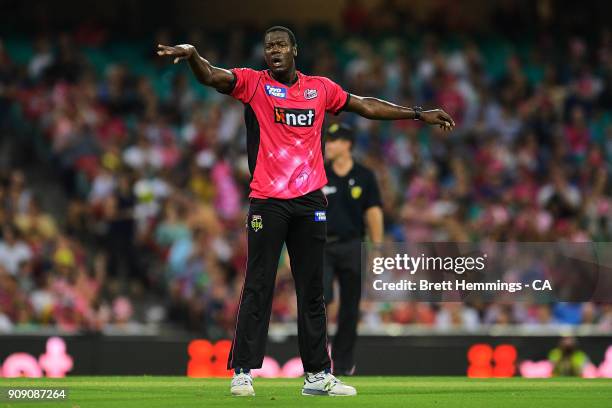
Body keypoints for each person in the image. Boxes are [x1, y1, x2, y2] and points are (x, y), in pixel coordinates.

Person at [157, 25, 455, 397]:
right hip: (268, 200)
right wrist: (193, 56)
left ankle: (317, 375)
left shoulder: (321, 89)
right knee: (259, 283)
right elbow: (215, 76)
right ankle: (243, 372)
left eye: (281, 44)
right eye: (268, 46)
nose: (274, 51)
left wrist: (417, 113)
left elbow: (364, 105)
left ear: (294, 50)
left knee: (313, 290)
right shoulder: (254, 84)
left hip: (310, 201)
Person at [323, 123, 383, 375]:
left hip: (352, 245)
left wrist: (377, 248)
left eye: (333, 141)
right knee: (320, 299)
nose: (328, 145)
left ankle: (343, 363)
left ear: (347, 144)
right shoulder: (319, 173)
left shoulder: (364, 176)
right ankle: (317, 359)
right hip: (321, 247)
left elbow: (373, 212)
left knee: (350, 306)